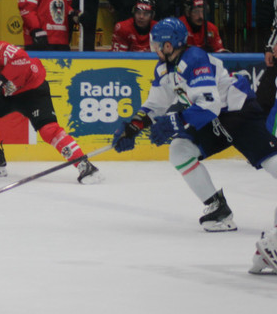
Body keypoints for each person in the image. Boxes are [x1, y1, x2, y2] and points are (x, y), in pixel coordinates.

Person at [112, 17, 277, 233]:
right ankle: (218, 209)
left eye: (156, 45)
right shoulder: (164, 68)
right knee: (180, 151)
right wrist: (133, 127)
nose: (154, 49)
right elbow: (156, 105)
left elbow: (210, 105)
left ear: (168, 45)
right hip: (212, 119)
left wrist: (175, 121)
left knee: (272, 161)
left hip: (238, 113)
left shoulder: (195, 58)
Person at [0, 22, 102, 183]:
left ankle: (83, 163)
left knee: (48, 130)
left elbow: (23, 59)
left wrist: (1, 77)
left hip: (32, 88)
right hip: (7, 93)